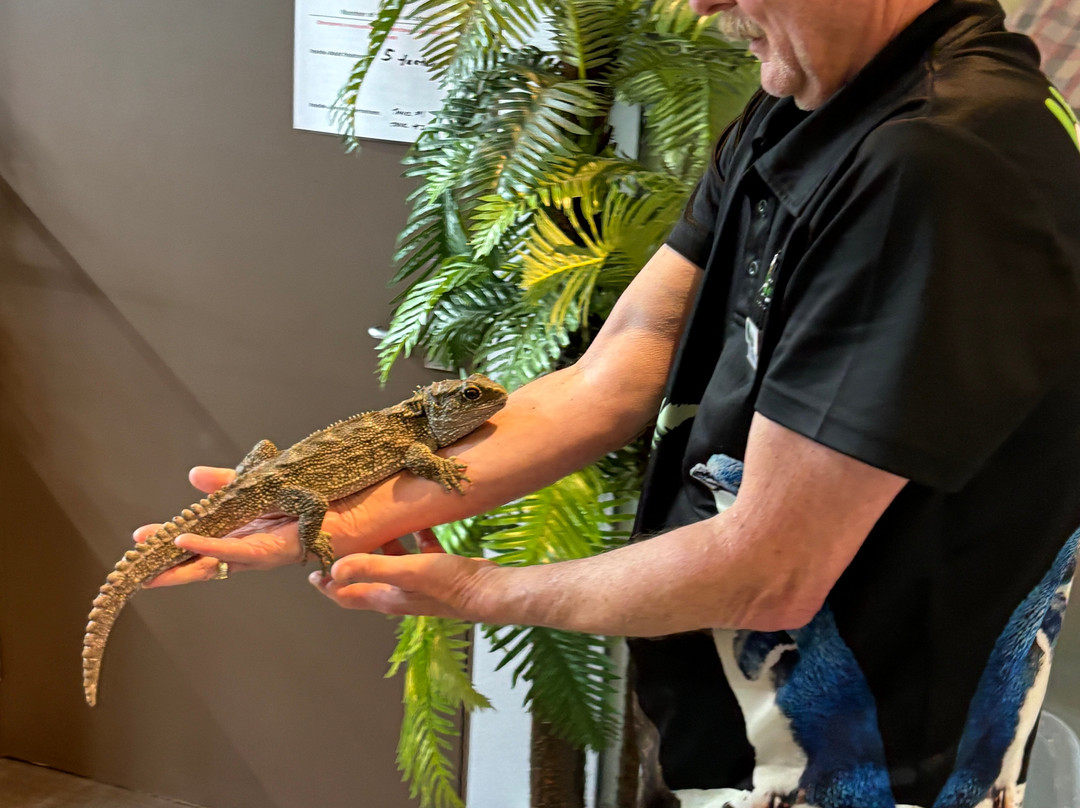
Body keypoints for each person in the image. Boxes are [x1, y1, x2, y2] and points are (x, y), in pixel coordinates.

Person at [139, 0, 1080, 805]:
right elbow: (620, 365)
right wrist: (341, 513)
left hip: (868, 755)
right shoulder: (812, 100)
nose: (700, 4)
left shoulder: (940, 163)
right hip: (747, 723)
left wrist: (476, 589)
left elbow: (772, 568)